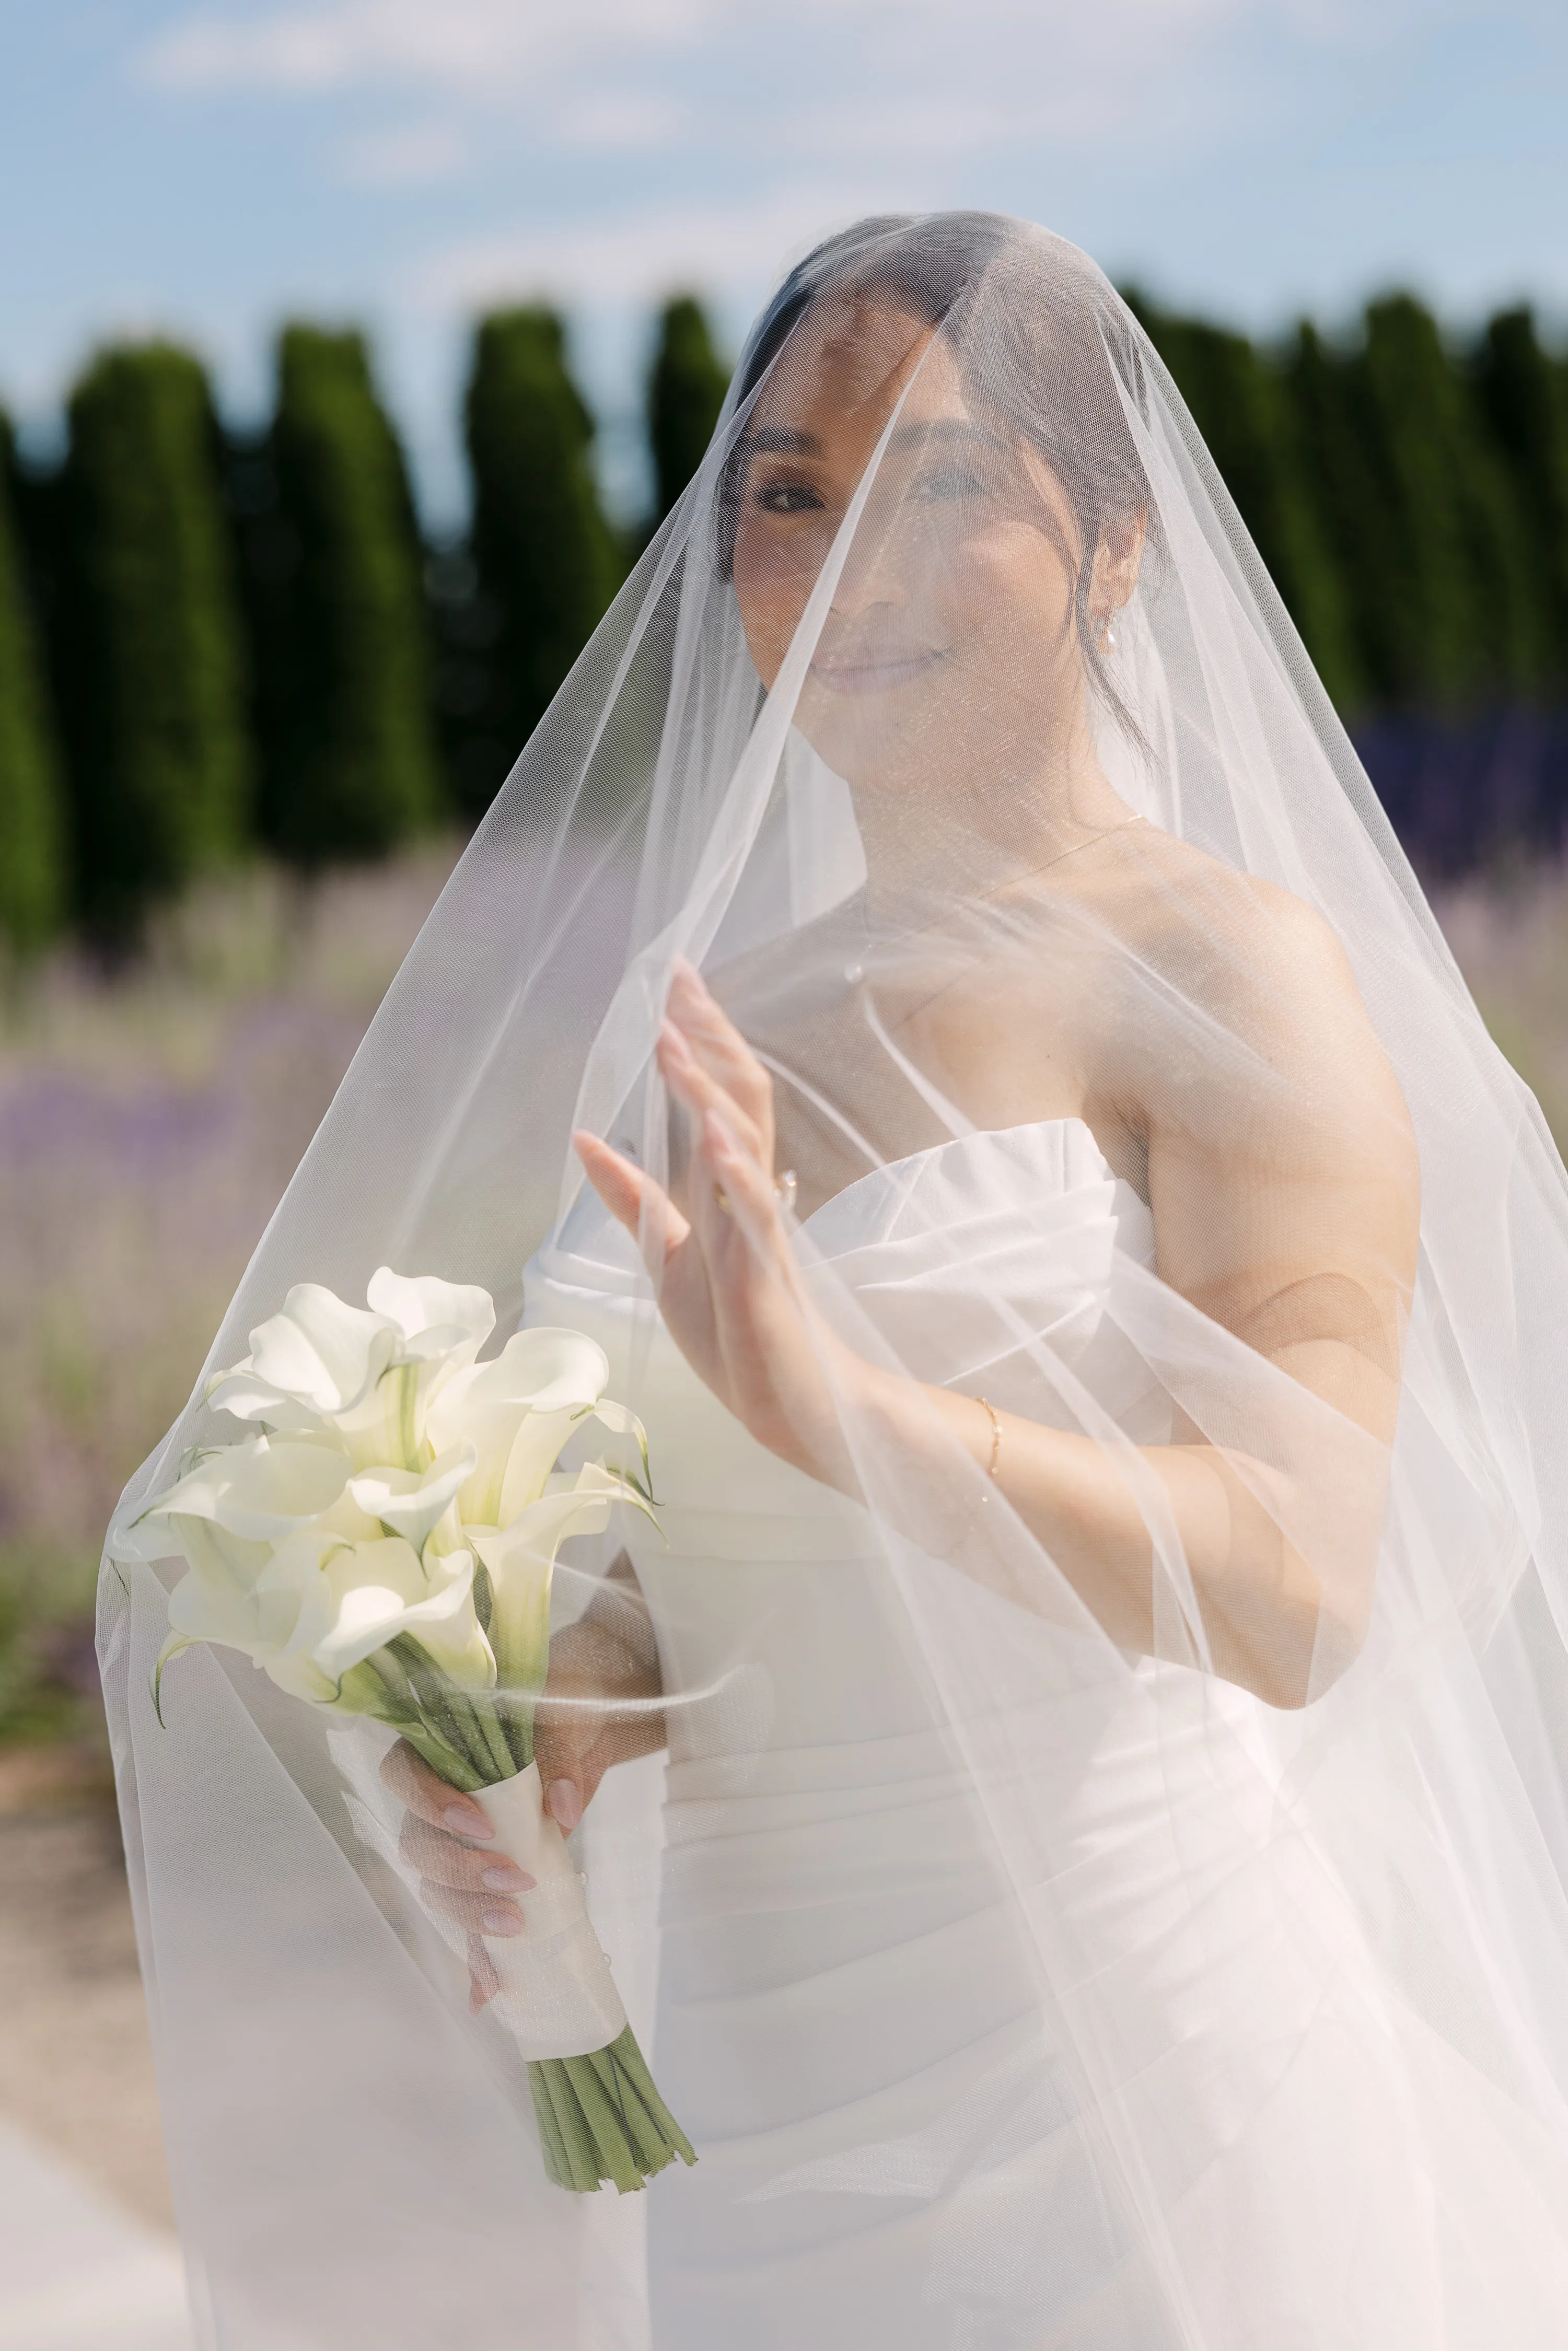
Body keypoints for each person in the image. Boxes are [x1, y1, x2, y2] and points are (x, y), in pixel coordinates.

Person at [103, 215, 1568, 2349]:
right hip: (761, 2131)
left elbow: (1301, 1586)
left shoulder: (1224, 972)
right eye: (788, 497)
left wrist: (854, 1408)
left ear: (1119, 547)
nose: (851, 558)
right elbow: (689, 1575)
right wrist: (543, 1700)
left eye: (943, 485)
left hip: (1133, 2092)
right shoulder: (709, 1018)